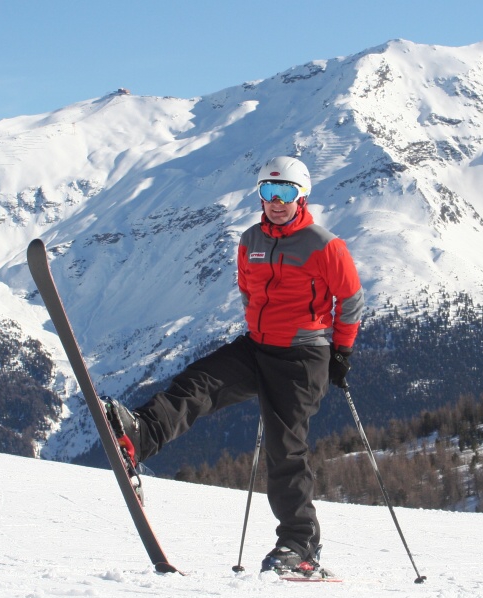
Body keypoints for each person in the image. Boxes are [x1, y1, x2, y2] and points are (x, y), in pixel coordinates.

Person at [106, 156, 365, 575]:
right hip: (258, 347)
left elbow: (350, 300)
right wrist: (258, 332)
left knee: (286, 450)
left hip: (302, 357)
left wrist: (340, 351)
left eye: (284, 194)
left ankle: (299, 546)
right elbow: (248, 292)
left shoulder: (324, 245)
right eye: (267, 192)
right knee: (198, 383)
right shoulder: (250, 240)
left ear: (302, 196)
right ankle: (141, 435)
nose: (275, 202)